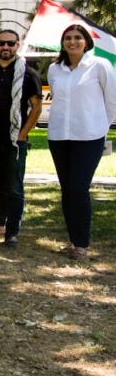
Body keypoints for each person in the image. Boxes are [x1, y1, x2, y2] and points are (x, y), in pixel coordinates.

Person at [46, 24, 116, 261]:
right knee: (67, 190)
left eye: (77, 37)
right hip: (59, 137)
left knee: (78, 188)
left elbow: (112, 102)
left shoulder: (99, 65)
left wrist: (101, 127)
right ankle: (73, 241)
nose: (72, 42)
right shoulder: (54, 69)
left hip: (89, 137)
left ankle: (82, 245)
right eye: (68, 38)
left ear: (86, 41)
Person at [0, 29, 42, 246]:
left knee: (14, 188)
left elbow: (36, 107)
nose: (6, 47)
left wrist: (22, 135)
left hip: (13, 140)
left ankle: (12, 232)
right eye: (2, 43)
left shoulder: (28, 74)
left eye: (11, 43)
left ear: (17, 45)